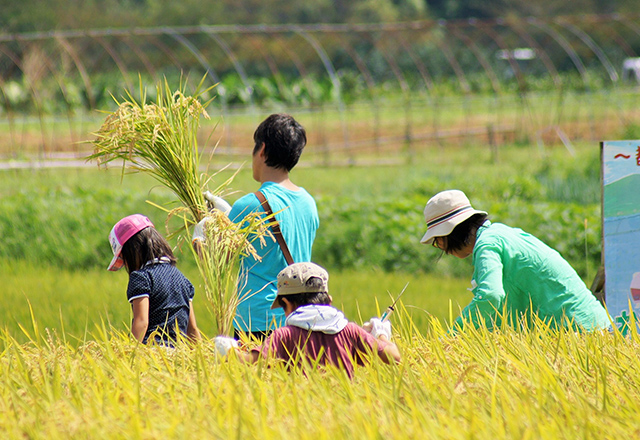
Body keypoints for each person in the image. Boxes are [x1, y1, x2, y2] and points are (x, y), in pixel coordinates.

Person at [420, 189, 611, 332]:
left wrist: (454, 336)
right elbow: (500, 308)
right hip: (591, 326)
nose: (443, 250)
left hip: (581, 334)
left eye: (439, 242)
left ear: (451, 232)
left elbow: (491, 296)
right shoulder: (502, 234)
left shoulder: (488, 245)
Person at [205, 114, 319, 341]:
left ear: (262, 150)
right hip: (299, 316)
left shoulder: (249, 204)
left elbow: (217, 262)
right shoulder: (308, 202)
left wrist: (206, 229)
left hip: (257, 320)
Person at [214, 262, 401, 378]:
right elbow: (394, 357)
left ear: (286, 302)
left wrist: (228, 350)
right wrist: (381, 333)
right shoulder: (351, 331)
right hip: (344, 416)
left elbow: (249, 360)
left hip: (302, 417)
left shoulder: (284, 335)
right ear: (329, 300)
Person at [108, 214, 200, 345]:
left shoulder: (141, 278)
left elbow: (142, 322)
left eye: (124, 259)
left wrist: (129, 356)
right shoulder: (182, 279)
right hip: (179, 354)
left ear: (133, 250)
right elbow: (192, 329)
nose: (126, 265)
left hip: (153, 352)